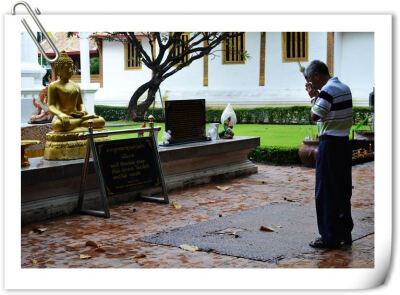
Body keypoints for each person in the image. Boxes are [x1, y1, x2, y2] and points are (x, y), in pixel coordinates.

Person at [304, 60, 353, 249]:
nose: (310, 84)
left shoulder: (327, 91)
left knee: (325, 192)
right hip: (343, 143)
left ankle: (328, 236)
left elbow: (315, 115)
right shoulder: (344, 87)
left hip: (329, 145)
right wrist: (318, 95)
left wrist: (312, 97)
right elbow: (328, 109)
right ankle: (344, 233)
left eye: (310, 80)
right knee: (342, 189)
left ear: (316, 75)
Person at [47, 50, 105, 132]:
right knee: (58, 125)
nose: (70, 70)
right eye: (67, 68)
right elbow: (51, 105)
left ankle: (78, 124)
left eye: (71, 68)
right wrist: (61, 114)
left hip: (76, 117)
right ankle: (82, 125)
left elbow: (80, 104)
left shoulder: (76, 86)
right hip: (64, 118)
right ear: (59, 70)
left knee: (100, 121)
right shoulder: (53, 86)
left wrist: (83, 111)